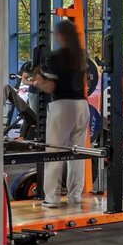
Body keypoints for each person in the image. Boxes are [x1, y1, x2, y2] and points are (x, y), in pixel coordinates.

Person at [23, 19, 89, 208]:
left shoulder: (56, 57)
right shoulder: (82, 55)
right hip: (82, 106)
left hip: (62, 106)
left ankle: (51, 198)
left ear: (60, 36)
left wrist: (39, 83)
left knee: (55, 152)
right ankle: (75, 196)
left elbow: (52, 86)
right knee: (78, 153)